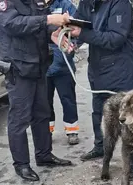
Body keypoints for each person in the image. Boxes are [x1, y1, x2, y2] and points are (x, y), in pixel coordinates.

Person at [0, 0, 74, 182]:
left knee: (42, 113)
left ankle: (44, 155)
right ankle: (21, 164)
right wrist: (49, 19)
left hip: (39, 65)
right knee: (19, 119)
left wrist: (53, 34)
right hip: (18, 67)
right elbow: (11, 24)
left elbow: (37, 25)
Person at [69, 0, 133, 167]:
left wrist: (82, 34)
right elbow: (78, 24)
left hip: (120, 70)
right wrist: (71, 40)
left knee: (126, 116)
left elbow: (116, 38)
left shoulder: (120, 4)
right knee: (98, 112)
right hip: (97, 69)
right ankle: (100, 146)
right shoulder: (88, 3)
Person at [46, 0, 80, 146]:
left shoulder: (66, 5)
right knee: (44, 102)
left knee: (68, 100)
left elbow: (78, 29)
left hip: (63, 63)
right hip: (43, 65)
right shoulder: (34, 6)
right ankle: (46, 131)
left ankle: (72, 130)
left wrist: (73, 45)